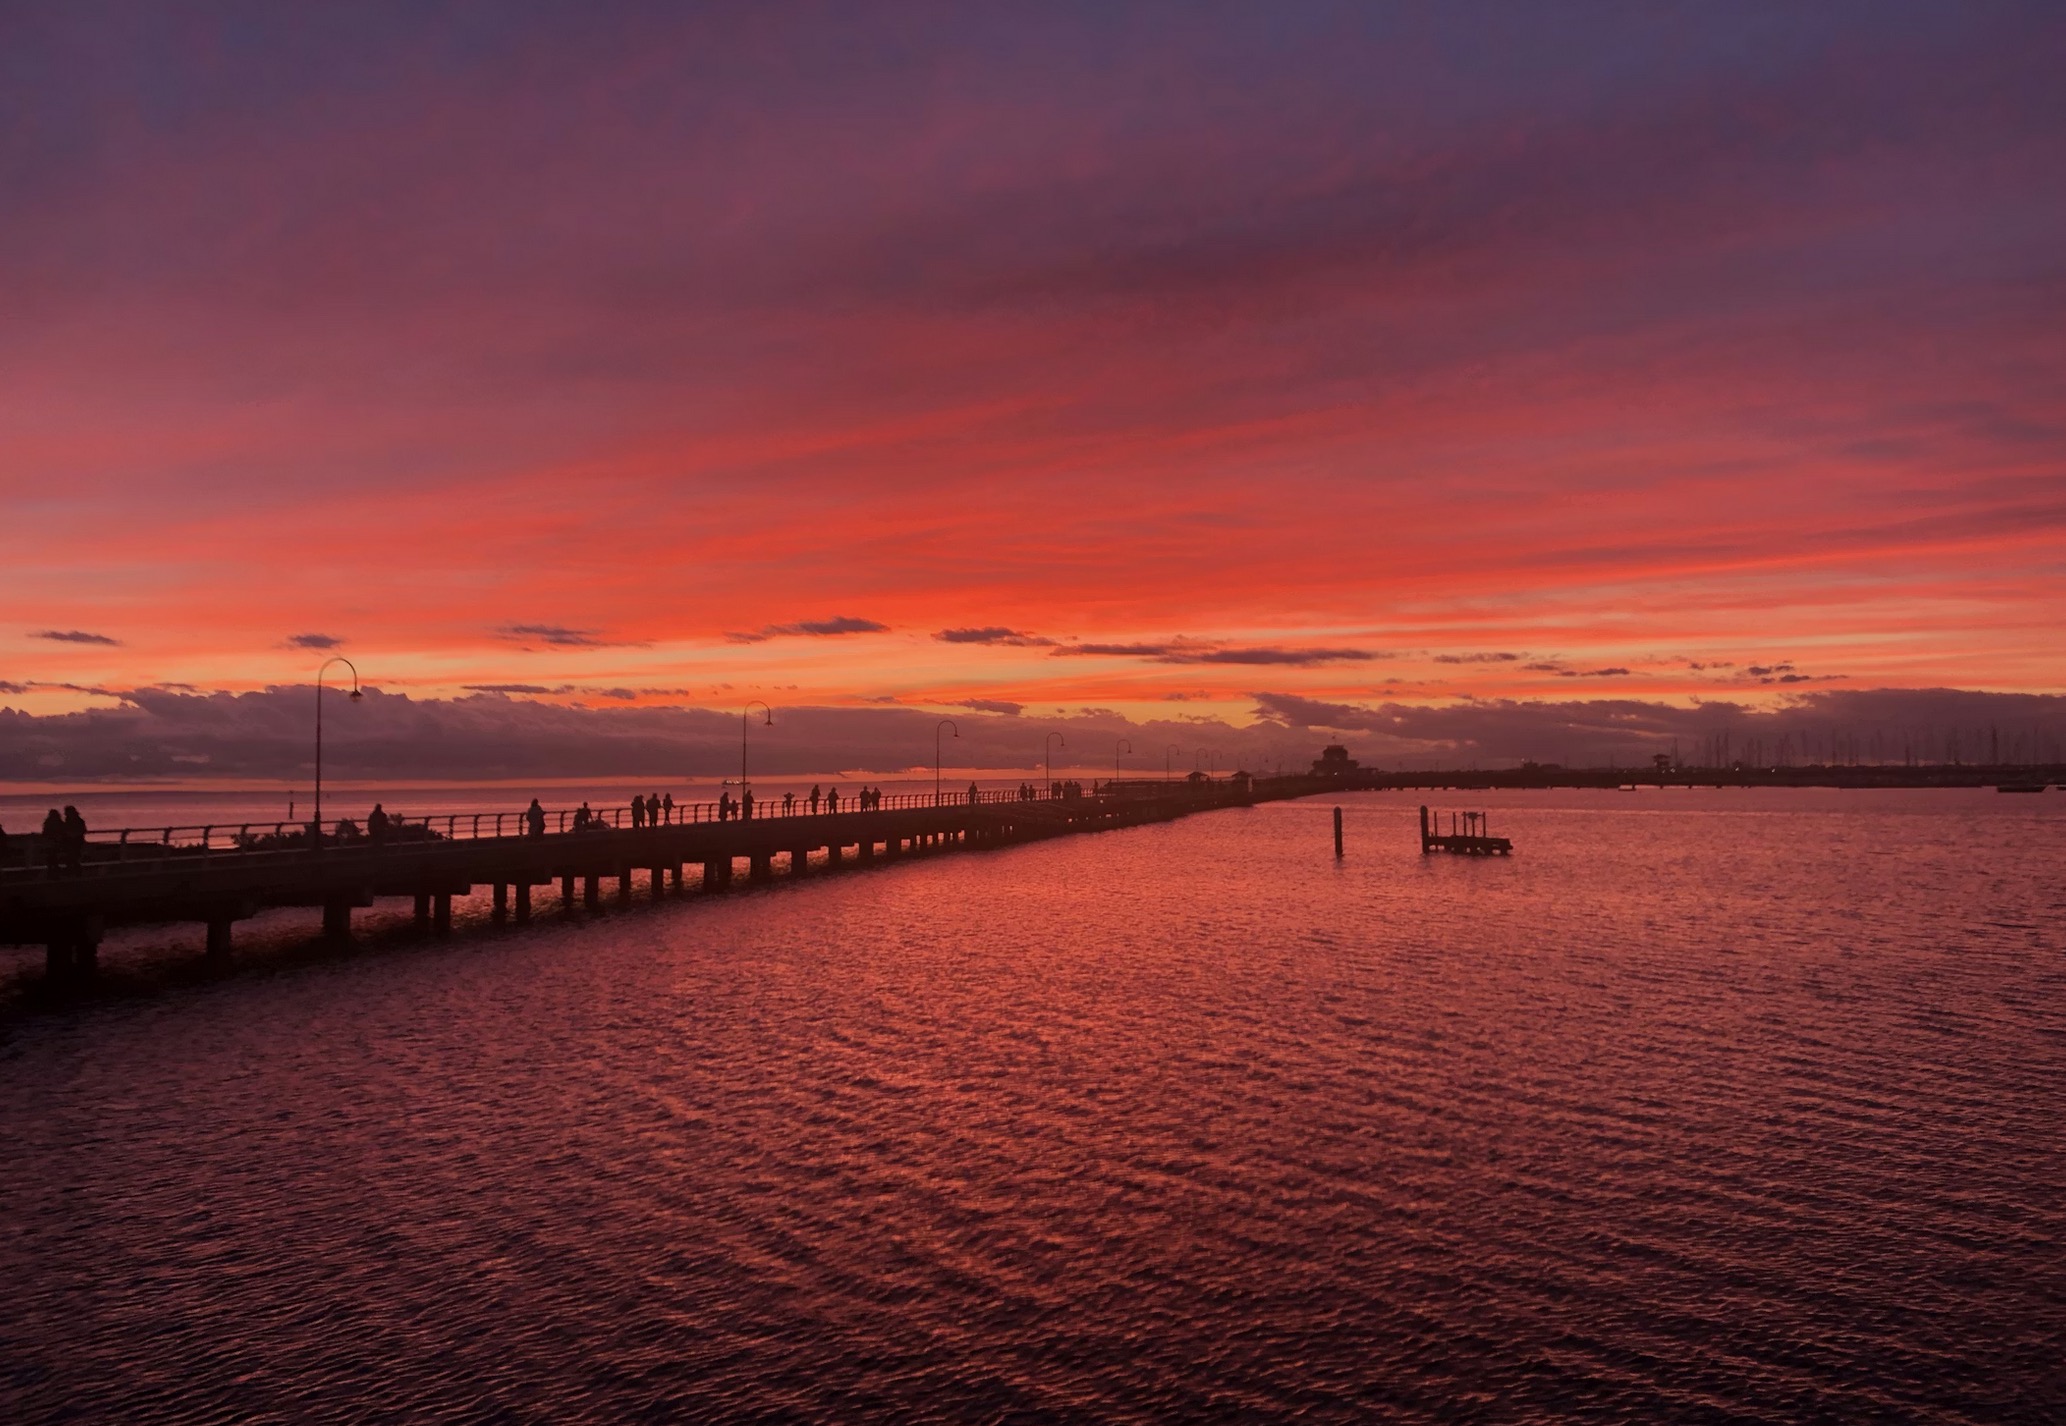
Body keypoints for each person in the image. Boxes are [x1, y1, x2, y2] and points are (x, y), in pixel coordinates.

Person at [62, 805, 87, 874]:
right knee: (72, 858)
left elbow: (83, 830)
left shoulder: (77, 821)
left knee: (74, 858)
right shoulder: (69, 821)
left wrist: (73, 834)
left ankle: (75, 872)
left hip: (76, 842)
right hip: (71, 842)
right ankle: (74, 872)